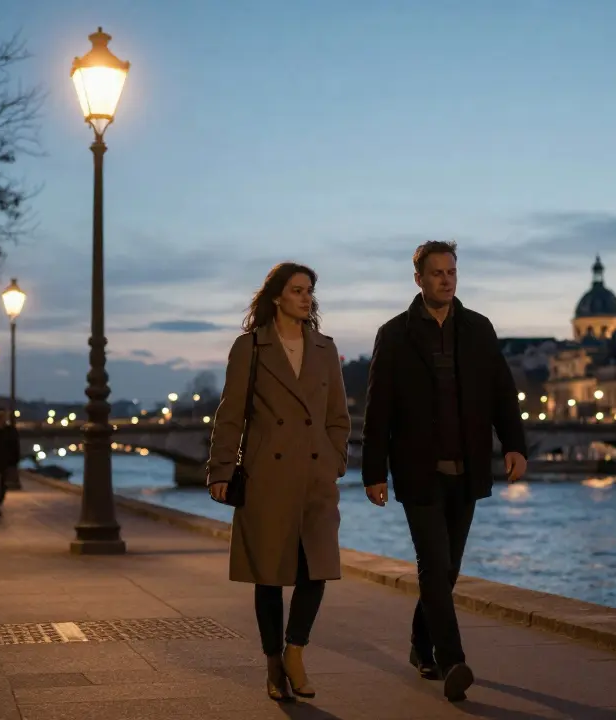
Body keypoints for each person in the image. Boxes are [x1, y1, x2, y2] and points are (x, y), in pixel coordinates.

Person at [361, 240, 527, 702]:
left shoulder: (478, 328)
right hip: (418, 470)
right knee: (434, 565)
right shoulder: (394, 334)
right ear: (418, 279)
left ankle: (420, 644)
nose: (446, 280)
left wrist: (514, 444)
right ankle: (453, 660)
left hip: (467, 468)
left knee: (447, 570)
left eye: (451, 272)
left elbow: (502, 392)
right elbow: (378, 409)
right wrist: (373, 472)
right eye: (437, 273)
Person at [207, 262, 352, 703]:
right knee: (268, 576)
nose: (306, 298)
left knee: (317, 567)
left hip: (315, 476)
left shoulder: (325, 348)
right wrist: (220, 469)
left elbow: (338, 416)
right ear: (276, 297)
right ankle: (273, 664)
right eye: (297, 290)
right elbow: (231, 414)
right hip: (267, 476)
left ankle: (295, 652)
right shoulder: (250, 347)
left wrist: (334, 459)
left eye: (309, 291)